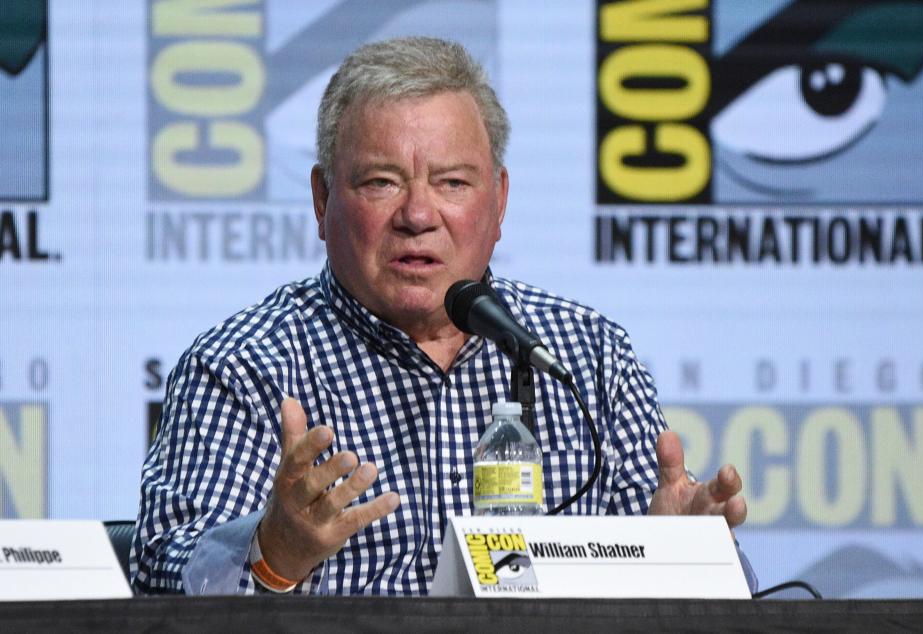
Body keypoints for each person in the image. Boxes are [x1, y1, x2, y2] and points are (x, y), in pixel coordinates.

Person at [132, 36, 754, 595]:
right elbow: (159, 577)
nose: (418, 214)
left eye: (453, 183)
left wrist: (689, 557)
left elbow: (716, 586)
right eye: (381, 182)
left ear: (500, 200)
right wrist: (274, 555)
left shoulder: (587, 356)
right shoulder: (244, 365)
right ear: (322, 201)